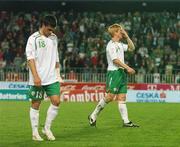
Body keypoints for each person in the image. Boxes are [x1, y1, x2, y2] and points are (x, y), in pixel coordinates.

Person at [88, 24, 139, 127]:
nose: (122, 32)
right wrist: (127, 68)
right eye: (120, 31)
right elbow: (115, 60)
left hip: (121, 73)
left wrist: (127, 36)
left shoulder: (120, 44)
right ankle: (93, 115)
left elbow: (132, 48)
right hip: (114, 72)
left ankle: (126, 121)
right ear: (115, 33)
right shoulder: (110, 45)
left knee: (122, 97)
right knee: (110, 97)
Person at [26, 15, 63, 141]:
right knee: (36, 104)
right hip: (38, 78)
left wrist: (58, 73)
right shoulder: (33, 39)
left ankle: (46, 128)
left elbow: (56, 56)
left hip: (52, 77)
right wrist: (36, 77)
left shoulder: (54, 37)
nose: (51, 32)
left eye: (53, 30)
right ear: (42, 25)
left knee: (56, 101)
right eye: (49, 29)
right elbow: (30, 59)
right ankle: (35, 132)